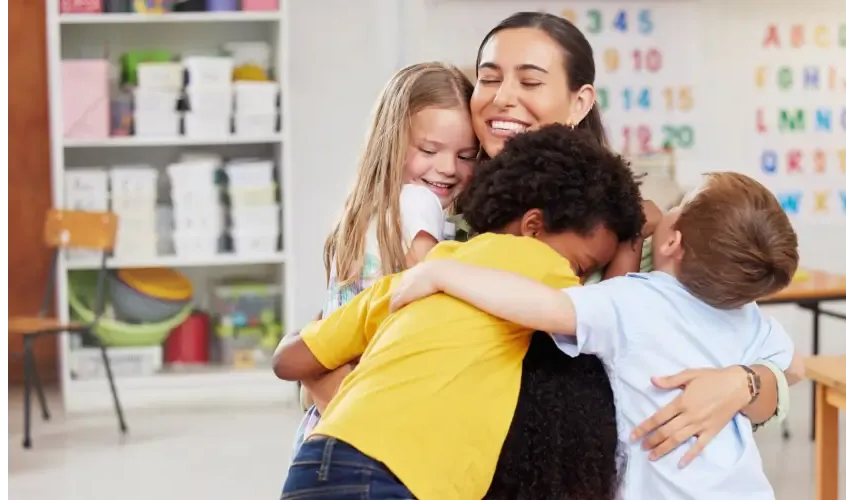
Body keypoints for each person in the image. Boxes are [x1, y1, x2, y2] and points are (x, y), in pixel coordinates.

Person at [273, 125, 646, 500]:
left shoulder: (411, 281)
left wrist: (311, 328)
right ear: (532, 227)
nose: (577, 280)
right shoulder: (541, 267)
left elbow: (288, 362)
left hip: (315, 462)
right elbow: (604, 316)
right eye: (581, 266)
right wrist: (634, 239)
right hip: (394, 481)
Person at [390, 171, 799, 499]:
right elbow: (794, 366)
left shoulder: (635, 300)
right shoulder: (747, 315)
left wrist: (442, 271)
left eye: (679, 206)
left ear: (673, 241)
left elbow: (544, 305)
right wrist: (742, 378)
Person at [291, 62, 478, 454]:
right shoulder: (416, 201)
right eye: (429, 150)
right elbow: (438, 284)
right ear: (392, 142)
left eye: (466, 155)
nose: (448, 168)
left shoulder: (365, 211)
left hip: (327, 426)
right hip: (375, 423)